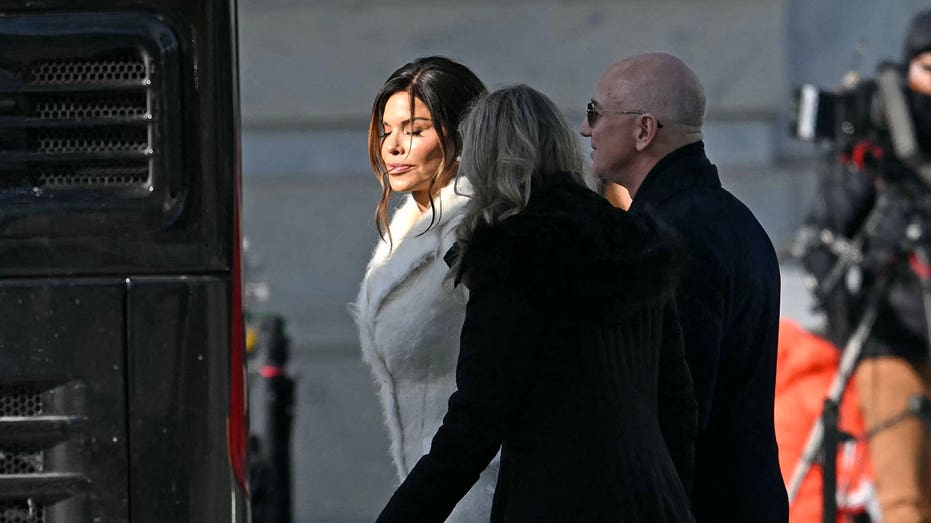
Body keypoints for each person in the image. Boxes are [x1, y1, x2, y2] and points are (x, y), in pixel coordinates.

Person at [375, 85, 698, 523]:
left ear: (484, 161)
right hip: (655, 500)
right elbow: (677, 400)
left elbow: (476, 421)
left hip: (560, 503)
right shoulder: (636, 241)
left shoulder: (512, 259)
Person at [581, 52, 788, 522]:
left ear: (643, 131)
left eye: (594, 113)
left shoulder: (666, 237)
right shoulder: (736, 220)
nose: (585, 129)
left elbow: (672, 407)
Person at [799, 10, 931, 521]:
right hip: (891, 340)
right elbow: (824, 235)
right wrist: (846, 317)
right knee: (904, 503)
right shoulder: (879, 140)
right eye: (928, 66)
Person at [350, 56, 492, 522]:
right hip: (433, 490)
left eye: (413, 130)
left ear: (459, 132)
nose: (392, 147)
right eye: (386, 130)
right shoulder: (410, 223)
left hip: (483, 489)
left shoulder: (475, 228)